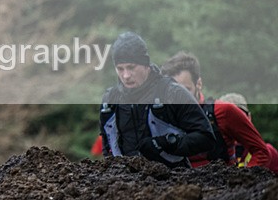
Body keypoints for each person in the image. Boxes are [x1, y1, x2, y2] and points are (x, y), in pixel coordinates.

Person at [98, 32, 217, 168]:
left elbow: (206, 137)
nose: (125, 75)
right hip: (124, 183)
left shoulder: (172, 93)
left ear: (145, 64)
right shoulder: (110, 99)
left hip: (172, 180)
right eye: (120, 69)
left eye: (131, 67)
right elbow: (107, 148)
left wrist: (166, 142)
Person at [159, 51, 274, 170]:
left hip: (221, 185)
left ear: (198, 84)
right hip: (177, 186)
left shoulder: (223, 111)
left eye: (186, 90)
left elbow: (262, 152)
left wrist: (243, 179)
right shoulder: (160, 117)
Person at [218, 92, 278, 173]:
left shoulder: (269, 152)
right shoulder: (213, 153)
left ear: (249, 117)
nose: (234, 122)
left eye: (239, 116)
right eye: (228, 118)